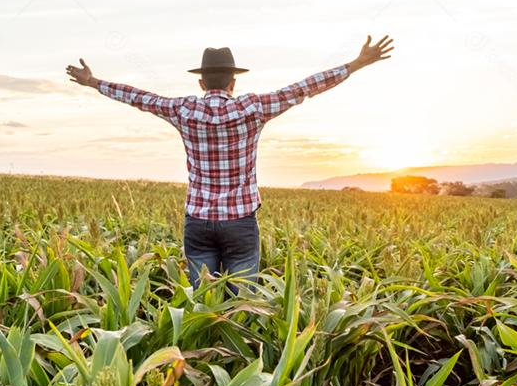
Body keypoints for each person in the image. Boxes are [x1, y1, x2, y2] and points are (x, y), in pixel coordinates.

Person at [66, 36, 394, 288]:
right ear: (233, 83)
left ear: (201, 83)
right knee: (243, 303)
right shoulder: (253, 108)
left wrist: (94, 82)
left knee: (203, 299)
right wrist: (356, 63)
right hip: (240, 222)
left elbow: (139, 97)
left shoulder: (182, 110)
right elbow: (304, 88)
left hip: (198, 221)